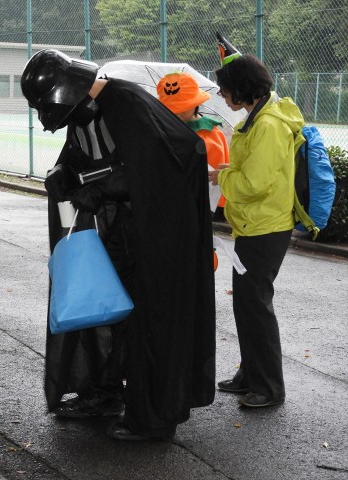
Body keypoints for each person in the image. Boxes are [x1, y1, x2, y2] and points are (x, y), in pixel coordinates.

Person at [21, 49, 216, 440]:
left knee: (150, 324)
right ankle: (105, 392)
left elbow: (169, 163)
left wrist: (106, 186)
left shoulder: (125, 101)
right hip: (122, 233)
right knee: (110, 316)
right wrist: (64, 173)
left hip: (156, 239)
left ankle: (154, 417)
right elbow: (79, 156)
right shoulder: (85, 110)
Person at [208, 33, 305, 408]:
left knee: (255, 306)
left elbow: (253, 183)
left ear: (241, 91)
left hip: (264, 227)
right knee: (247, 305)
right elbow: (254, 171)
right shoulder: (262, 114)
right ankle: (251, 375)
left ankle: (268, 388)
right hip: (256, 225)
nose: (221, 96)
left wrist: (224, 176)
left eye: (224, 90)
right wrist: (228, 170)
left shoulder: (267, 125)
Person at [157, 71, 229, 212]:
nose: (176, 113)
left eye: (182, 108)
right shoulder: (161, 131)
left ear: (195, 103)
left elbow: (215, 177)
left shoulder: (212, 134)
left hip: (201, 204)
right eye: (170, 110)